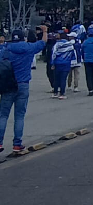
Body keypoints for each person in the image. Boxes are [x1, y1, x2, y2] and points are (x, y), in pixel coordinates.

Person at [0, 25, 46, 153]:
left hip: (8, 85)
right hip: (23, 84)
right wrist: (45, 31)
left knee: (3, 115)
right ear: (23, 38)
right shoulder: (28, 48)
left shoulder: (5, 49)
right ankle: (17, 144)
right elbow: (42, 43)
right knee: (19, 116)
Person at [51, 32, 76, 100]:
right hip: (66, 63)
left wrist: (52, 63)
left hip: (57, 63)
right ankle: (62, 94)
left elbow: (53, 54)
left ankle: (55, 93)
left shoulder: (57, 44)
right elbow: (73, 55)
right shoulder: (70, 45)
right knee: (63, 79)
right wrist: (73, 63)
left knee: (56, 79)